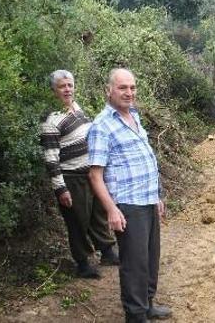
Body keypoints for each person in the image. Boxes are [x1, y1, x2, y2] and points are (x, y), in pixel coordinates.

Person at [87, 68, 172, 322]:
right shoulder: (102, 126)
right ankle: (135, 315)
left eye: (132, 87)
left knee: (150, 259)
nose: (129, 92)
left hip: (147, 200)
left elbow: (144, 161)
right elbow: (95, 175)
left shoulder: (133, 116)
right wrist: (112, 209)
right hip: (128, 205)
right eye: (123, 87)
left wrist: (156, 195)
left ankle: (147, 305)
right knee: (134, 264)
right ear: (109, 90)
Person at [40, 70, 119, 279]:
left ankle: (108, 252)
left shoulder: (76, 108)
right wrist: (60, 188)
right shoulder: (51, 119)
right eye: (62, 86)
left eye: (70, 85)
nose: (67, 89)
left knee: (98, 214)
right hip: (71, 178)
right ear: (53, 90)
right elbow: (50, 157)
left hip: (90, 173)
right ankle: (83, 263)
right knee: (77, 221)